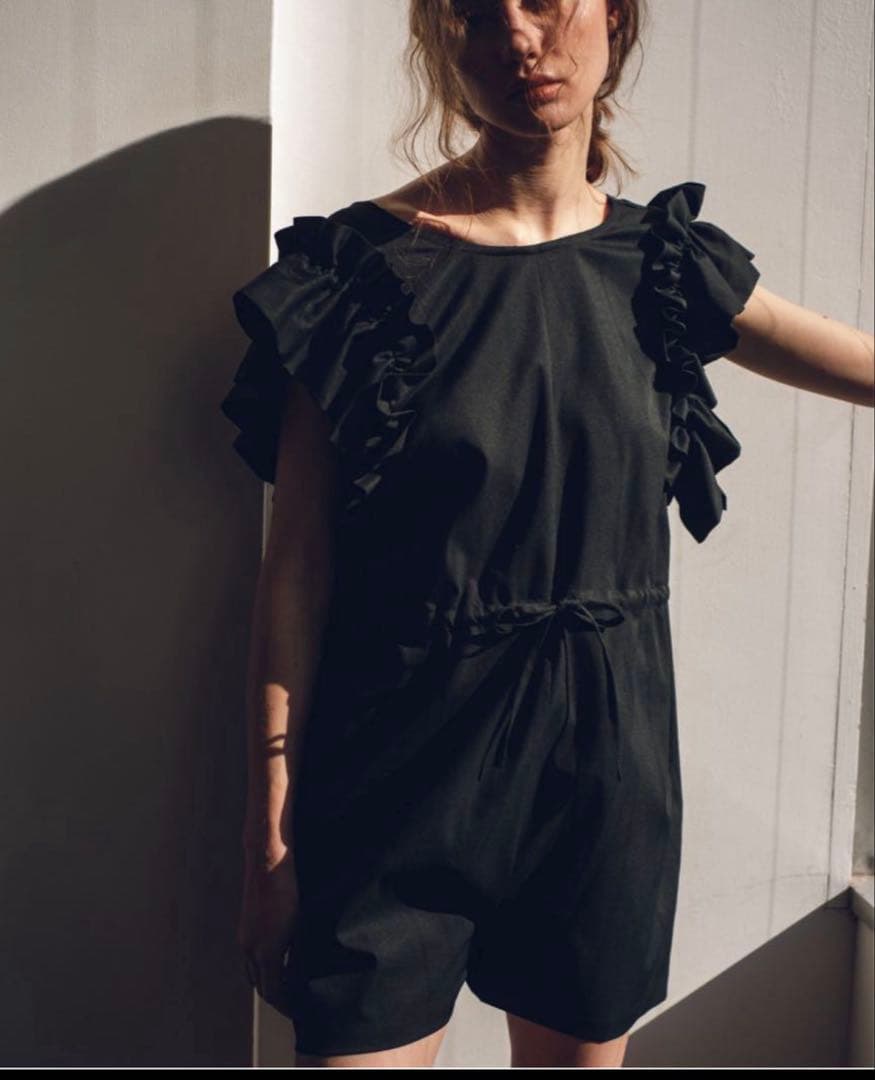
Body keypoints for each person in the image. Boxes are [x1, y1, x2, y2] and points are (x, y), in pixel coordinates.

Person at [224, 0, 875, 1068]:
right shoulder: (356, 276)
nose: (521, 39)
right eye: (481, 13)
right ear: (443, 42)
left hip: (603, 777)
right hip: (396, 771)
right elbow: (294, 573)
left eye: (546, 2)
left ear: (613, 18)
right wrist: (270, 841)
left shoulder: (662, 267)